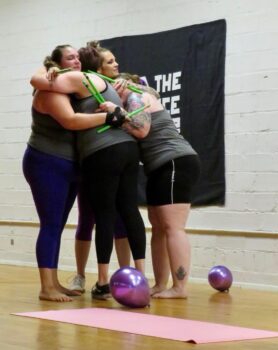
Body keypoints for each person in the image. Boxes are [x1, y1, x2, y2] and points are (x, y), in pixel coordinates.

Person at [30, 47, 146, 300]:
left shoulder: (71, 85)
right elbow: (71, 121)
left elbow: (142, 90)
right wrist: (110, 116)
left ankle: (54, 281)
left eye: (78, 58)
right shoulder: (49, 89)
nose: (77, 62)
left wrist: (122, 89)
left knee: (58, 224)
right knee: (51, 224)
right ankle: (46, 286)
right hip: (47, 161)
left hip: (70, 163)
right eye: (70, 58)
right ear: (56, 65)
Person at [100, 72, 201, 299]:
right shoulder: (133, 99)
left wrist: (115, 112)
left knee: (172, 226)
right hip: (158, 167)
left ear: (121, 85)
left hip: (175, 162)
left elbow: (141, 129)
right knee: (157, 226)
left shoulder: (135, 96)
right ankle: (160, 284)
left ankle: (180, 287)